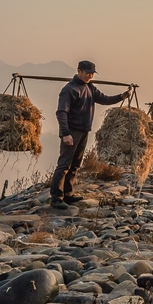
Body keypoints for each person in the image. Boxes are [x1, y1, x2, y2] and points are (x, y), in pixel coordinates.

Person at [51, 61, 131, 209]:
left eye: (92, 73)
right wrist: (65, 134)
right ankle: (56, 197)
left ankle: (68, 194)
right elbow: (61, 112)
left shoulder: (89, 87)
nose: (90, 76)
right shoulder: (69, 89)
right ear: (79, 71)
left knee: (75, 165)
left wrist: (122, 96)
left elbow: (105, 99)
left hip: (83, 130)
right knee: (64, 165)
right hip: (72, 131)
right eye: (87, 73)